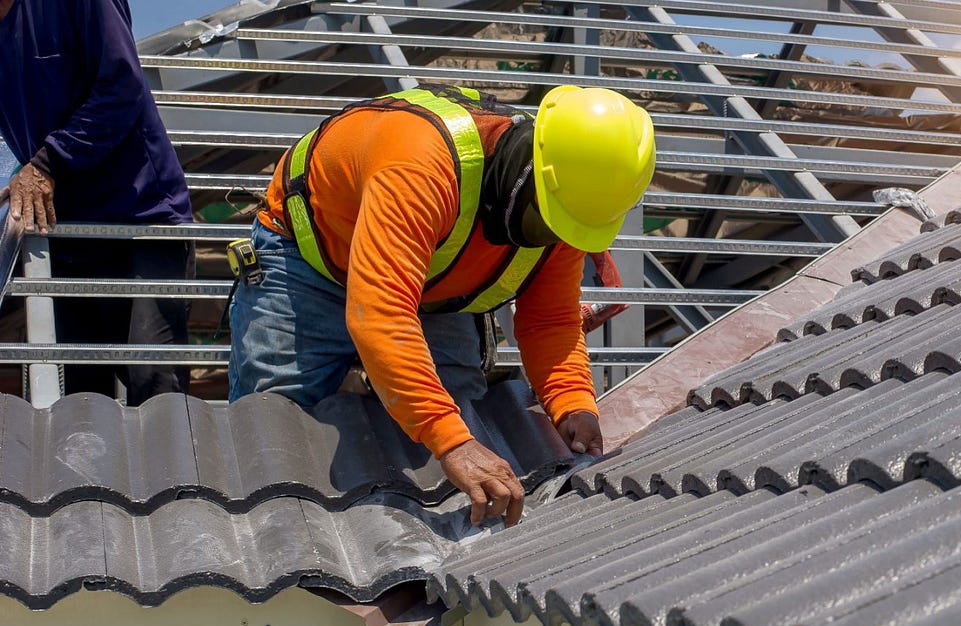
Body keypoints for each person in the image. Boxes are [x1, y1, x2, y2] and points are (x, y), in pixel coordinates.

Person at [228, 84, 655, 527]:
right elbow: (381, 314)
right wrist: (452, 443)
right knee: (276, 428)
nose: (553, 235)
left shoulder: (570, 204)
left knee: (459, 411)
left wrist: (574, 404)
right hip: (311, 260)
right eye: (547, 218)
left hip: (432, 277)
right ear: (527, 168)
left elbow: (549, 320)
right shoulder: (422, 163)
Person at [0, 0, 195, 404]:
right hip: (67, 234)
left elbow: (122, 84)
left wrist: (48, 162)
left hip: (143, 222)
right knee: (81, 405)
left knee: (155, 384)